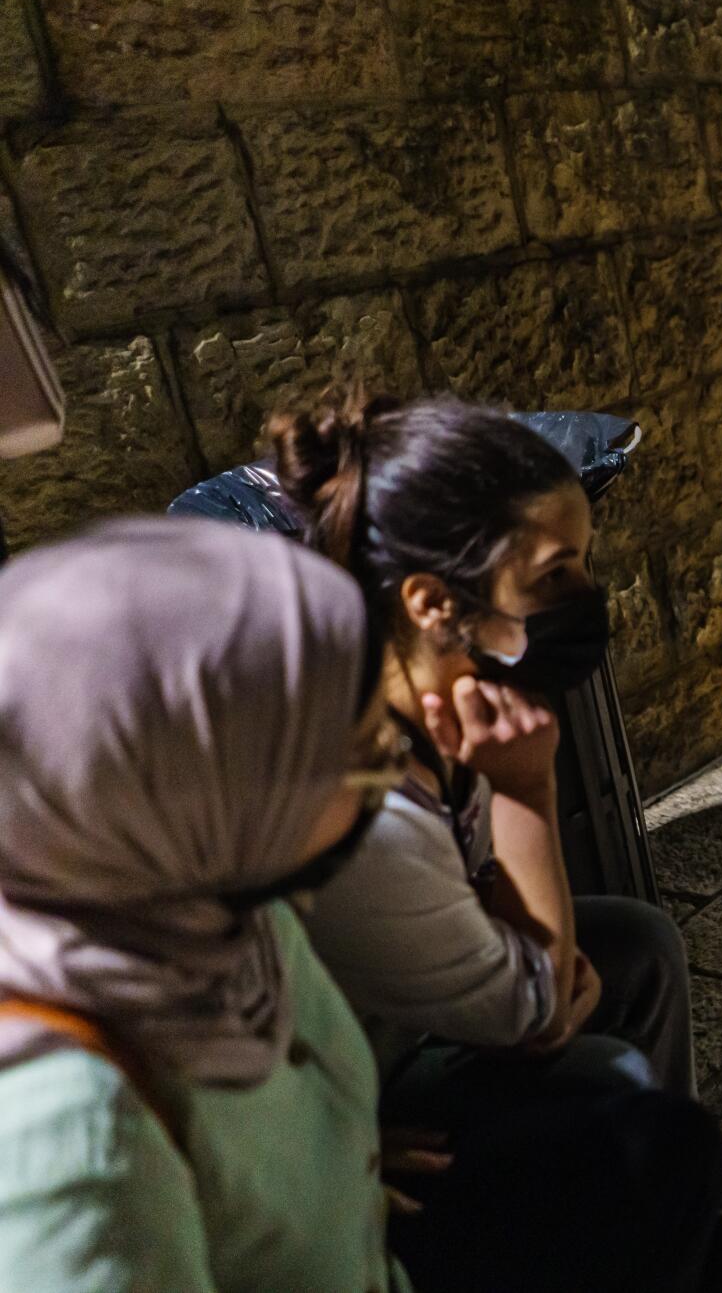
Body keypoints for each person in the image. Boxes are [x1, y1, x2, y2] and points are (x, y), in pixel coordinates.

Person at [267, 390, 722, 1290]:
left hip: (396, 1026)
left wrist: (541, 965)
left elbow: (492, 905)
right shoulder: (367, 806)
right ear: (435, 602)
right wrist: (526, 785)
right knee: (605, 1071)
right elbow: (539, 1017)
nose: (586, 599)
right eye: (555, 575)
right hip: (346, 1097)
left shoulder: (430, 706)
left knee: (638, 945)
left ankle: (696, 1236)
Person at [0, 517, 410, 1290]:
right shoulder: (68, 1148)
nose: (396, 762)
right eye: (359, 753)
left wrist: (349, 1160)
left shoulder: (213, 910)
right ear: (201, 787)